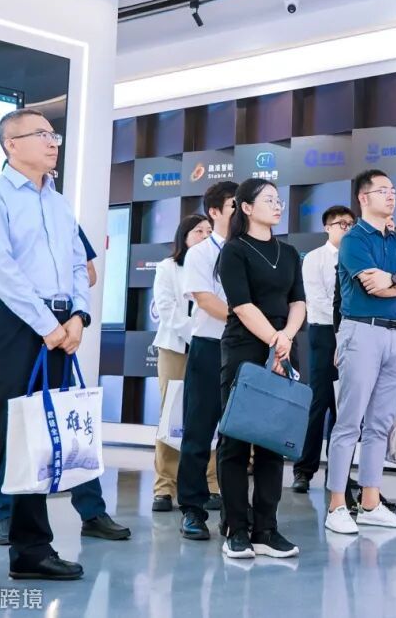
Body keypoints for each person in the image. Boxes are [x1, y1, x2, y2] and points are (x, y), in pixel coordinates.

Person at [0, 109, 91, 595]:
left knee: (41, 442)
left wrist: (78, 316)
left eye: (55, 136)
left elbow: (79, 265)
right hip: (12, 324)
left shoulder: (60, 203)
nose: (54, 143)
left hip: (60, 326)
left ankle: (32, 551)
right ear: (12, 144)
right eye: (43, 135)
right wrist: (48, 324)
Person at [0, 225, 129, 545]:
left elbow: (88, 271)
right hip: (7, 330)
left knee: (67, 419)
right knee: (8, 425)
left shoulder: (60, 216)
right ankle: (5, 516)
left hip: (55, 333)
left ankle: (92, 511)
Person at [325, 169, 396, 535]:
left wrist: (394, 279)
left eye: (393, 190)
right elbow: (372, 288)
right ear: (363, 198)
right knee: (349, 422)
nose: (391, 195)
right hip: (362, 332)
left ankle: (370, 503)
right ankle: (337, 505)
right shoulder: (353, 239)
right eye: (383, 190)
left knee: (380, 424)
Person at [215, 178, 306, 559]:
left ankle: (265, 529)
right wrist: (274, 338)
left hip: (283, 346)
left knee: (273, 439)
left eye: (279, 199)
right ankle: (236, 527)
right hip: (246, 346)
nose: (278, 204)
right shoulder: (234, 250)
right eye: (269, 199)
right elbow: (241, 305)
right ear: (247, 208)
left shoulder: (290, 252)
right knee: (236, 438)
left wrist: (286, 337)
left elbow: (298, 302)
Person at [177, 180, 238, 541]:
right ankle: (192, 509)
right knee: (198, 430)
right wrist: (246, 319)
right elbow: (206, 300)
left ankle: (235, 511)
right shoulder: (200, 253)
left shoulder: (249, 248)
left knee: (238, 434)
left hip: (245, 348)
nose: (241, 211)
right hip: (210, 346)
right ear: (214, 212)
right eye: (234, 205)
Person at [151, 214, 219, 513]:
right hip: (176, 347)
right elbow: (166, 308)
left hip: (211, 348)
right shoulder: (168, 267)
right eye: (198, 231)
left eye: (209, 231)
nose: (205, 235)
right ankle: (164, 487)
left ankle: (211, 483)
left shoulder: (217, 265)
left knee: (210, 415)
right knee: (171, 414)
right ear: (184, 236)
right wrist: (195, 335)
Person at [292, 205, 356, 494]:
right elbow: (316, 300)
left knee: (346, 406)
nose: (347, 228)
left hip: (353, 334)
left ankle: (339, 472)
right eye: (341, 224)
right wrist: (342, 325)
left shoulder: (358, 256)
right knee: (318, 402)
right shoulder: (314, 258)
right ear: (327, 227)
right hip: (324, 332)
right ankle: (303, 470)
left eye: (351, 224)